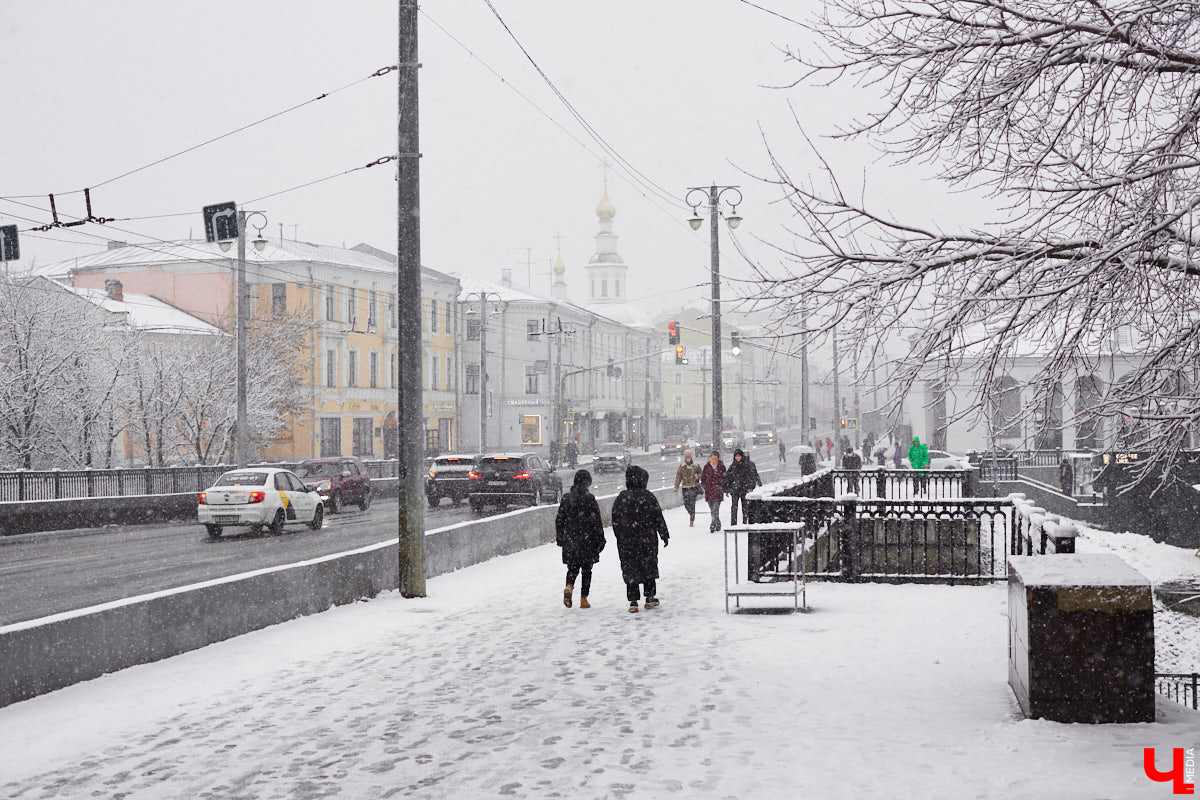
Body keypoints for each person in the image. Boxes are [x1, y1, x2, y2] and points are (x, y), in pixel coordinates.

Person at [611, 465, 670, 613]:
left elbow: (615, 520)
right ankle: (649, 598)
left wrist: (620, 535)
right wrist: (664, 534)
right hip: (647, 539)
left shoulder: (622, 498)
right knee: (648, 566)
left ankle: (633, 601)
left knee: (630, 568)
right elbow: (658, 517)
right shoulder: (648, 496)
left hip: (627, 541)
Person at [556, 470, 605, 609]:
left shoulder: (567, 498)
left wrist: (560, 536)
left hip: (571, 540)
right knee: (587, 570)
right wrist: (600, 538)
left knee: (572, 568)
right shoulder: (589, 499)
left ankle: (569, 586)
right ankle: (584, 599)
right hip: (587, 540)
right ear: (587, 482)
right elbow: (597, 521)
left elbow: (559, 519)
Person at [722, 448, 762, 526]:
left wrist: (750, 486)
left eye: (739, 456)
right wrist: (727, 488)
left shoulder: (746, 466)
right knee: (734, 507)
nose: (737, 458)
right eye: (736, 456)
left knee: (745, 507)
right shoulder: (732, 466)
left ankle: (744, 522)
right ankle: (733, 524)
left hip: (744, 489)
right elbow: (728, 478)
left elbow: (751, 477)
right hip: (735, 490)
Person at [673, 449, 703, 527]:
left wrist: (697, 476)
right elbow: (678, 477)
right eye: (686, 457)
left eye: (689, 457)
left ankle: (692, 519)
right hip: (685, 487)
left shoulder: (696, 465)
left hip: (693, 487)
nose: (687, 459)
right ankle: (691, 513)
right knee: (686, 504)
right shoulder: (682, 466)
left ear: (691, 457)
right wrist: (676, 487)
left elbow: (701, 474)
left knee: (692, 503)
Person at [701, 450, 727, 533]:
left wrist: (721, 486)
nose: (714, 460)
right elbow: (703, 479)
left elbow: (725, 478)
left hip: (718, 492)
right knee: (712, 509)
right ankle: (718, 523)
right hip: (709, 492)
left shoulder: (721, 467)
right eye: (712, 458)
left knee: (715, 509)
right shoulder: (706, 467)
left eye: (715, 458)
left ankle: (712, 525)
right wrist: (705, 486)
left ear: (718, 458)